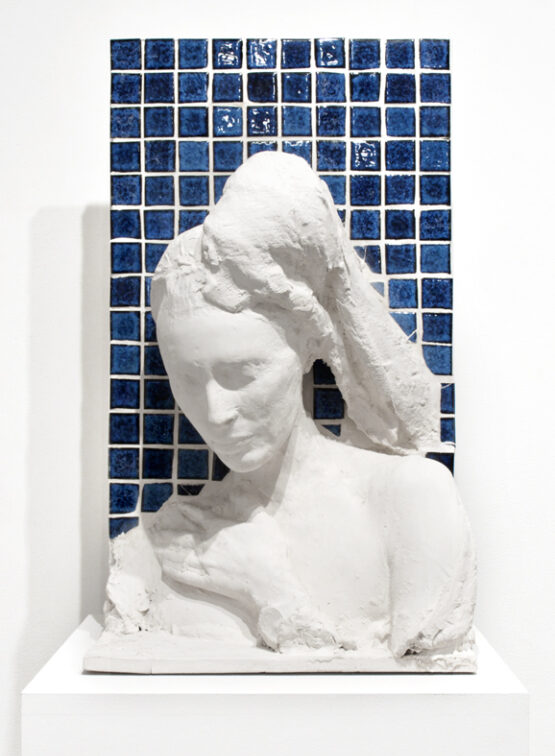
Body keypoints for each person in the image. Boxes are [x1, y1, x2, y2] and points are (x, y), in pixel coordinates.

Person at [114, 151, 476, 662]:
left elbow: (423, 690)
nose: (215, 411)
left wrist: (271, 593)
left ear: (307, 347)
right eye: (188, 378)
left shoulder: (411, 499)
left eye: (243, 373)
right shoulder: (170, 542)